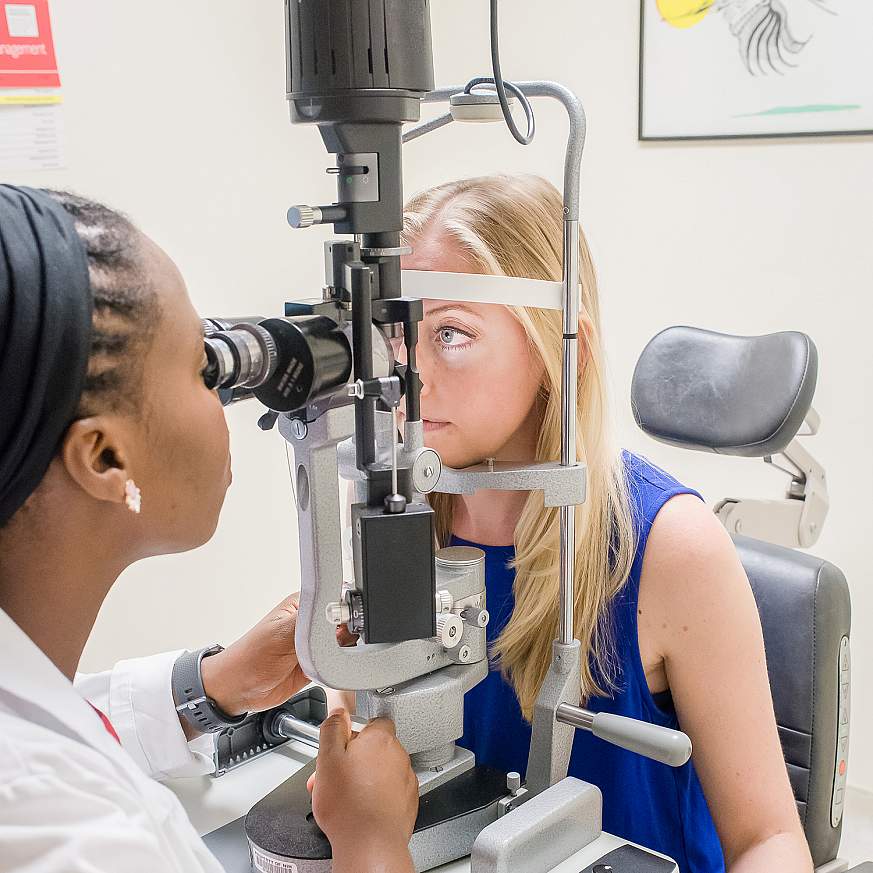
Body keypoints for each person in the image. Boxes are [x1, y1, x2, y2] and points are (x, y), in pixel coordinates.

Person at [397, 174, 812, 873]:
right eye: (396, 332)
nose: (410, 372)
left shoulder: (669, 547)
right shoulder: (402, 519)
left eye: (450, 333)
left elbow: (769, 841)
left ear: (565, 351)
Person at [0, 185, 418, 873]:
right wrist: (370, 844)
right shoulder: (68, 839)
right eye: (205, 368)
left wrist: (211, 687)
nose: (230, 391)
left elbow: (59, 726)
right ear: (106, 458)